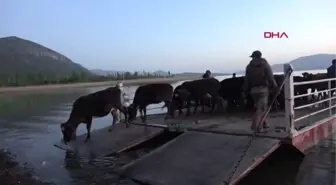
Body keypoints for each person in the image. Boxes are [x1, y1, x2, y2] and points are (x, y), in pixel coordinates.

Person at [242, 50, 278, 132]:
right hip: (263, 89)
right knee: (261, 108)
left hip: (253, 90)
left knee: (260, 107)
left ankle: (265, 123)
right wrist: (275, 86)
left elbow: (246, 80)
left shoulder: (249, 66)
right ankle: (255, 126)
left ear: (254, 57)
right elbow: (270, 76)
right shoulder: (264, 64)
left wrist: (245, 90)